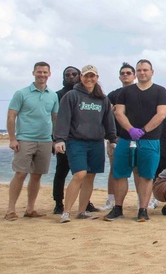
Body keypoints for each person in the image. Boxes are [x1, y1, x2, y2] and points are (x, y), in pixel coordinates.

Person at [52, 65, 116, 222]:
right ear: (81, 77)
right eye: (86, 76)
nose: (89, 79)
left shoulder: (103, 99)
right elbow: (63, 119)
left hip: (96, 142)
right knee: (79, 174)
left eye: (92, 76)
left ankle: (82, 211)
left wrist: (112, 139)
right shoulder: (72, 96)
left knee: (90, 176)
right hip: (76, 141)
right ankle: (66, 212)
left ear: (97, 77)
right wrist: (59, 139)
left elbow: (109, 121)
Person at [108, 59, 166, 222]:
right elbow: (119, 113)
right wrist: (130, 129)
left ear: (152, 72)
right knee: (120, 174)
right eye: (139, 70)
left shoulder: (160, 91)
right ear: (136, 73)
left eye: (145, 70)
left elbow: (161, 114)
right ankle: (118, 208)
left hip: (150, 140)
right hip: (126, 139)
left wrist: (143, 130)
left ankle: (143, 209)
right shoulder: (126, 92)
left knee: (146, 176)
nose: (142, 73)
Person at [6, 62, 59, 220]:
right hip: (25, 139)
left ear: (49, 74)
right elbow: (11, 116)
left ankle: (30, 209)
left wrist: (55, 140)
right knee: (20, 174)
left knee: (37, 175)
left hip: (45, 141)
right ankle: (10, 210)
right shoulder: (21, 93)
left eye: (44, 72)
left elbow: (55, 119)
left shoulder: (53, 95)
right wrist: (12, 138)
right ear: (33, 73)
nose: (41, 75)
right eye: (39, 72)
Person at [104, 63, 136, 211]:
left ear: (134, 76)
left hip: (138, 138)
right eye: (123, 73)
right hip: (116, 137)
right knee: (114, 170)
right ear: (119, 76)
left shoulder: (140, 92)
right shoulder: (113, 95)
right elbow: (105, 116)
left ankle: (143, 201)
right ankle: (111, 200)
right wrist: (110, 136)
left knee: (139, 170)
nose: (125, 75)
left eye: (128, 73)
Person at [51, 65, 80, 215]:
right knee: (61, 173)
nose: (71, 76)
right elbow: (53, 119)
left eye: (74, 74)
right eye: (67, 74)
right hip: (63, 140)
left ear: (79, 76)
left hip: (81, 140)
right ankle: (58, 203)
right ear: (63, 78)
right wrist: (54, 140)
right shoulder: (57, 95)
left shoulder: (86, 94)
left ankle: (85, 203)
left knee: (82, 173)